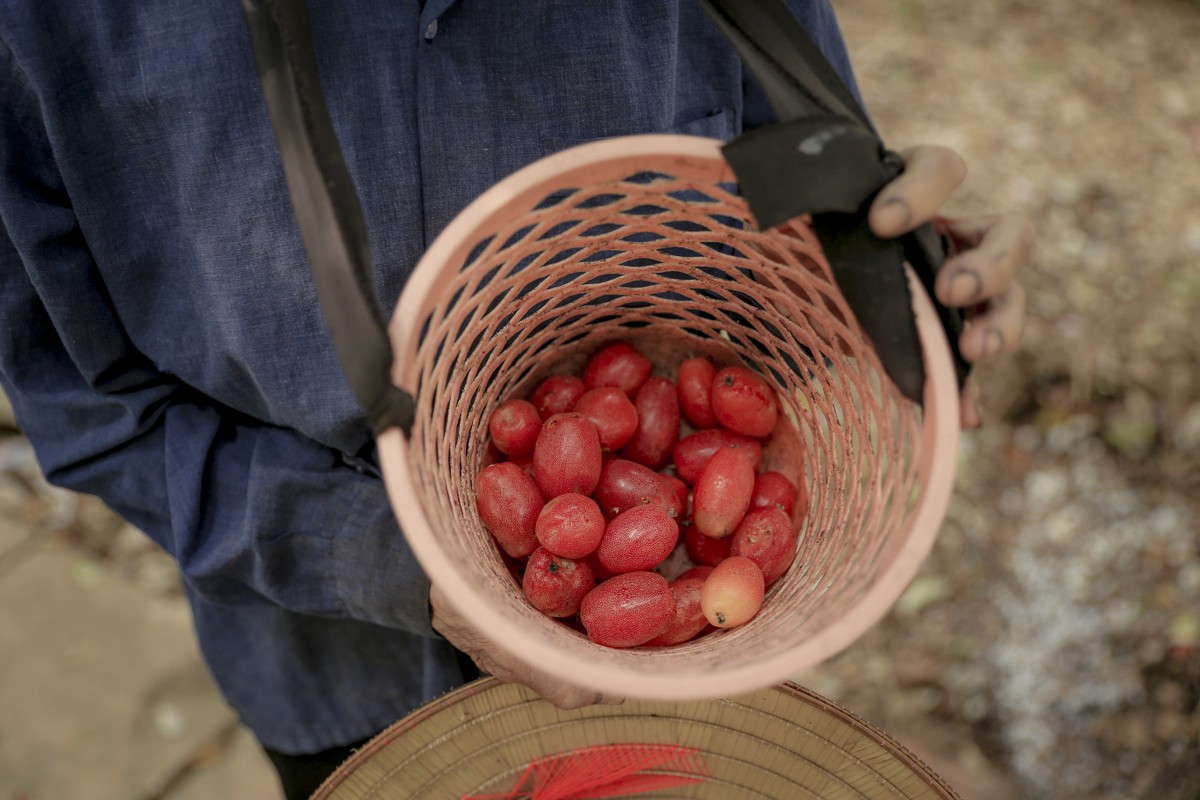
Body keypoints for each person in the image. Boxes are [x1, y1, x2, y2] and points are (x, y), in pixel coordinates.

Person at [0, 1, 1032, 797]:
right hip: (330, 680)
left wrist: (900, 289)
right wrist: (389, 555)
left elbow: (797, 226)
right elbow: (91, 408)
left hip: (685, 680)